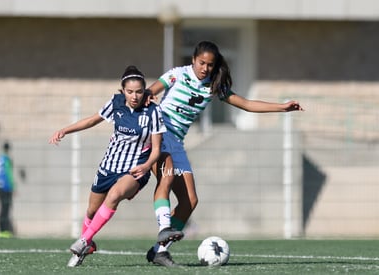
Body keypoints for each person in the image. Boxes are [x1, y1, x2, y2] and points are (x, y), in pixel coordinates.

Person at [144, 41, 304, 266]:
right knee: (166, 178)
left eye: (210, 65)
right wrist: (146, 96)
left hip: (177, 142)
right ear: (193, 60)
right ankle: (163, 229)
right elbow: (151, 90)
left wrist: (282, 107)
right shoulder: (176, 75)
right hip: (159, 135)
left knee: (190, 201)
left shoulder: (213, 86)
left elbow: (247, 104)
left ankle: (159, 251)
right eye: (201, 63)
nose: (205, 68)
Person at [49, 65, 166, 267]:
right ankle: (88, 245)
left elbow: (156, 149)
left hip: (136, 169)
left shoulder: (153, 111)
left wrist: (147, 166)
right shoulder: (116, 103)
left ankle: (84, 241)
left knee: (114, 196)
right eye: (130, 92)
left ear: (145, 91)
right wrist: (65, 130)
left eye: (139, 91)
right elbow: (92, 120)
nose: (135, 96)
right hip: (108, 166)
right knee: (91, 212)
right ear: (122, 91)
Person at [0, 141, 16, 238]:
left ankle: (0, 230)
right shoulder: (6, 159)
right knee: (5, 208)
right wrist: (12, 187)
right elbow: (8, 173)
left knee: (1, 208)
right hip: (6, 187)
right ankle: (4, 230)